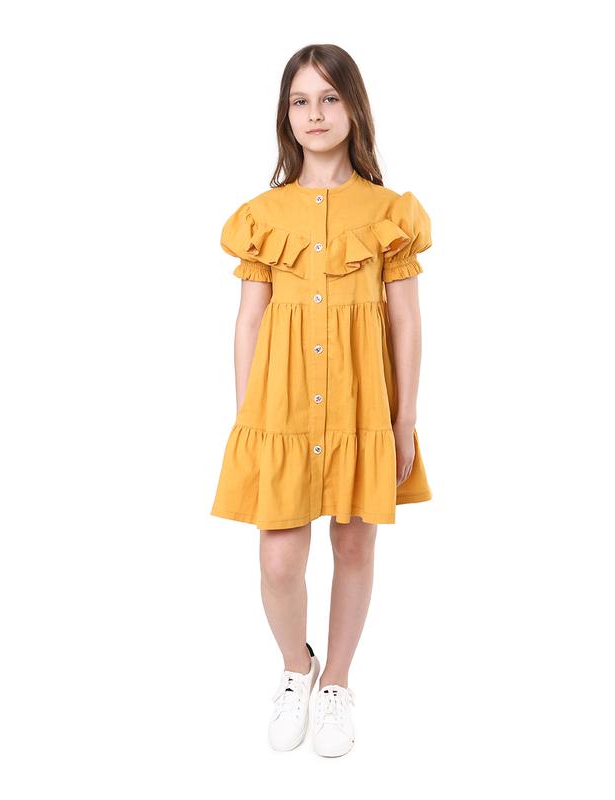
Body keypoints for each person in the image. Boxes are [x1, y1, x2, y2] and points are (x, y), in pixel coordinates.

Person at [210, 44, 433, 757]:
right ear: (286, 114)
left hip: (363, 406)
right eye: (301, 100)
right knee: (279, 559)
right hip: (278, 410)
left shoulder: (389, 212)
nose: (315, 113)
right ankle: (296, 666)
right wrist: (248, 419)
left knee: (354, 544)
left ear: (354, 108)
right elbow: (249, 320)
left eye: (330, 97)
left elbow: (405, 321)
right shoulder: (262, 214)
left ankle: (336, 682)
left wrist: (404, 420)